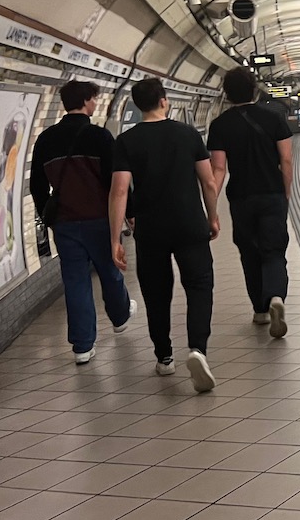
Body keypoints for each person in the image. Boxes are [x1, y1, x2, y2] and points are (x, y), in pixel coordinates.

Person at [109, 77, 220, 392]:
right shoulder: (188, 134)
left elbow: (119, 191)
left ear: (137, 105)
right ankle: (197, 349)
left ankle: (164, 357)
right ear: (164, 101)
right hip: (190, 224)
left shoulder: (126, 141)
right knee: (199, 287)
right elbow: (208, 182)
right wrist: (212, 217)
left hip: (151, 229)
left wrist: (115, 239)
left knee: (156, 294)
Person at [30, 80, 137, 364]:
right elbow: (117, 182)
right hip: (100, 219)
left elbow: (37, 185)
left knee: (75, 281)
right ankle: (120, 317)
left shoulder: (45, 140)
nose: (95, 103)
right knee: (110, 270)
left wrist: (48, 214)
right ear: (88, 101)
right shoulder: (99, 136)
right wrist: (130, 212)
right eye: (94, 99)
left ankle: (82, 346)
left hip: (65, 223)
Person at [208, 68, 293, 338]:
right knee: (274, 250)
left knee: (249, 253)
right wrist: (286, 192)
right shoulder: (274, 118)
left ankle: (260, 310)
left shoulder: (219, 125)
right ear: (255, 89)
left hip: (241, 198)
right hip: (272, 194)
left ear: (227, 94)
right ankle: (276, 296)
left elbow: (218, 169)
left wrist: (211, 207)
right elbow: (286, 160)